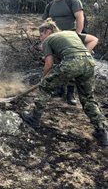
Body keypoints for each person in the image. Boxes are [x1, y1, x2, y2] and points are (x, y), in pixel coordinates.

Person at [22, 18, 108, 146]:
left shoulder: (48, 40)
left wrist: (44, 79)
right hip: (89, 63)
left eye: (41, 35)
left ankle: (34, 118)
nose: (40, 38)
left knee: (45, 87)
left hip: (72, 63)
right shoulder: (71, 33)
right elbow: (93, 39)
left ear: (48, 31)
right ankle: (101, 132)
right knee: (88, 98)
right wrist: (83, 56)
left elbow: (49, 64)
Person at [42, 0, 87, 105]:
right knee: (57, 65)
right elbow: (45, 24)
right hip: (56, 41)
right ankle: (59, 89)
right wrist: (44, 39)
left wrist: (78, 35)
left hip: (71, 39)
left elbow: (80, 18)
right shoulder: (50, 6)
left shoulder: (72, 1)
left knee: (72, 66)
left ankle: (70, 94)